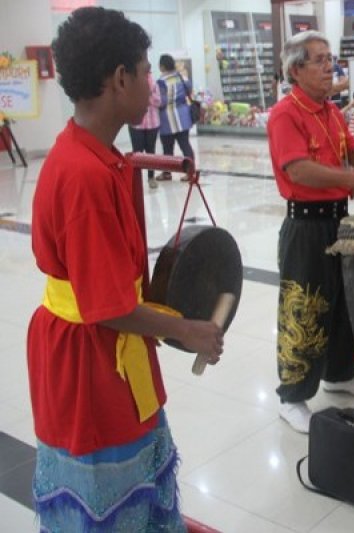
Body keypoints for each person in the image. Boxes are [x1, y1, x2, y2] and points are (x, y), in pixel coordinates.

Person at [29, 7, 223, 530]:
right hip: (90, 359)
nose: (151, 89)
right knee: (107, 497)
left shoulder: (95, 154)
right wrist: (188, 330)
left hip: (103, 343)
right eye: (143, 74)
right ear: (119, 80)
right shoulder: (84, 176)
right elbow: (110, 307)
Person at [267, 31, 354, 434]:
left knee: (342, 303)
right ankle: (292, 395)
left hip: (339, 220)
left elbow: (353, 152)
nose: (328, 67)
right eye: (318, 60)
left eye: (329, 59)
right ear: (296, 69)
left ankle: (339, 374)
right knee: (306, 306)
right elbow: (298, 169)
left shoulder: (331, 110)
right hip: (306, 225)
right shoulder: (286, 113)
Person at [156, 53, 194, 181]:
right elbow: (189, 89)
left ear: (162, 66)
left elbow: (161, 101)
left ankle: (167, 173)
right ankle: (190, 172)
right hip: (183, 117)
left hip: (167, 119)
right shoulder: (181, 77)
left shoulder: (161, 82)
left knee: (167, 148)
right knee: (185, 145)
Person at [128, 71, 161, 189]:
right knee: (136, 153)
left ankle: (151, 178)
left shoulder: (154, 85)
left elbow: (158, 101)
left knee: (151, 152)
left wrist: (148, 95)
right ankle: (134, 179)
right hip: (136, 124)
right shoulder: (131, 83)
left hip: (152, 123)